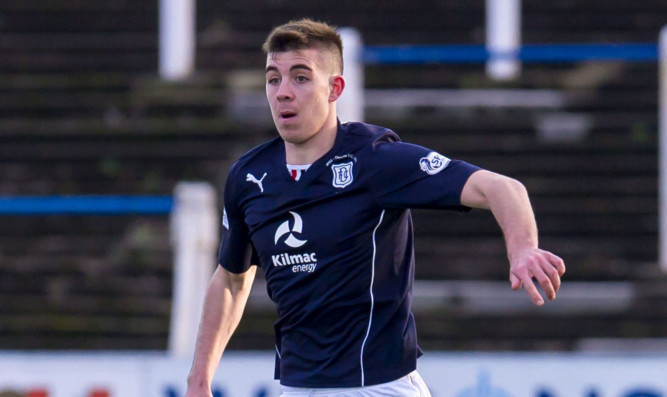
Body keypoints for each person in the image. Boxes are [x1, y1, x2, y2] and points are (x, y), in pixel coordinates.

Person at [185, 18, 565, 397]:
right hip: (297, 388)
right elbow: (232, 279)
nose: (283, 92)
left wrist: (522, 247)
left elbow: (499, 187)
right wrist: (199, 380)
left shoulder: (375, 160)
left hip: (380, 388)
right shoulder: (249, 176)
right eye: (274, 79)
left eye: (300, 78)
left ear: (335, 88)